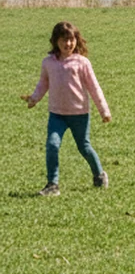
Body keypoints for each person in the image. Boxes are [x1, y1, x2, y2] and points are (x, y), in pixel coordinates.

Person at [23, 20, 110, 196]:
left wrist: (104, 111)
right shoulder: (48, 63)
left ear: (76, 41)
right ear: (55, 41)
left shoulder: (82, 63)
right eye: (63, 40)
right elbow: (43, 83)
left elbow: (94, 87)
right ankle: (52, 185)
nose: (68, 44)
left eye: (71, 40)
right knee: (52, 145)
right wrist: (34, 98)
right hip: (57, 115)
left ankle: (99, 175)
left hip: (79, 114)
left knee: (84, 147)